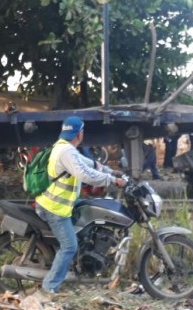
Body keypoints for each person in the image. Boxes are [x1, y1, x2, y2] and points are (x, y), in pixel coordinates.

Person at [34, 116, 126, 294]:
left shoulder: (64, 148)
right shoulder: (66, 152)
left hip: (61, 203)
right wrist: (112, 180)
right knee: (69, 246)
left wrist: (110, 170)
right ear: (80, 133)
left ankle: (84, 259)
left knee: (90, 210)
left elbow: (89, 164)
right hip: (55, 208)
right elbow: (85, 175)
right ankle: (49, 287)